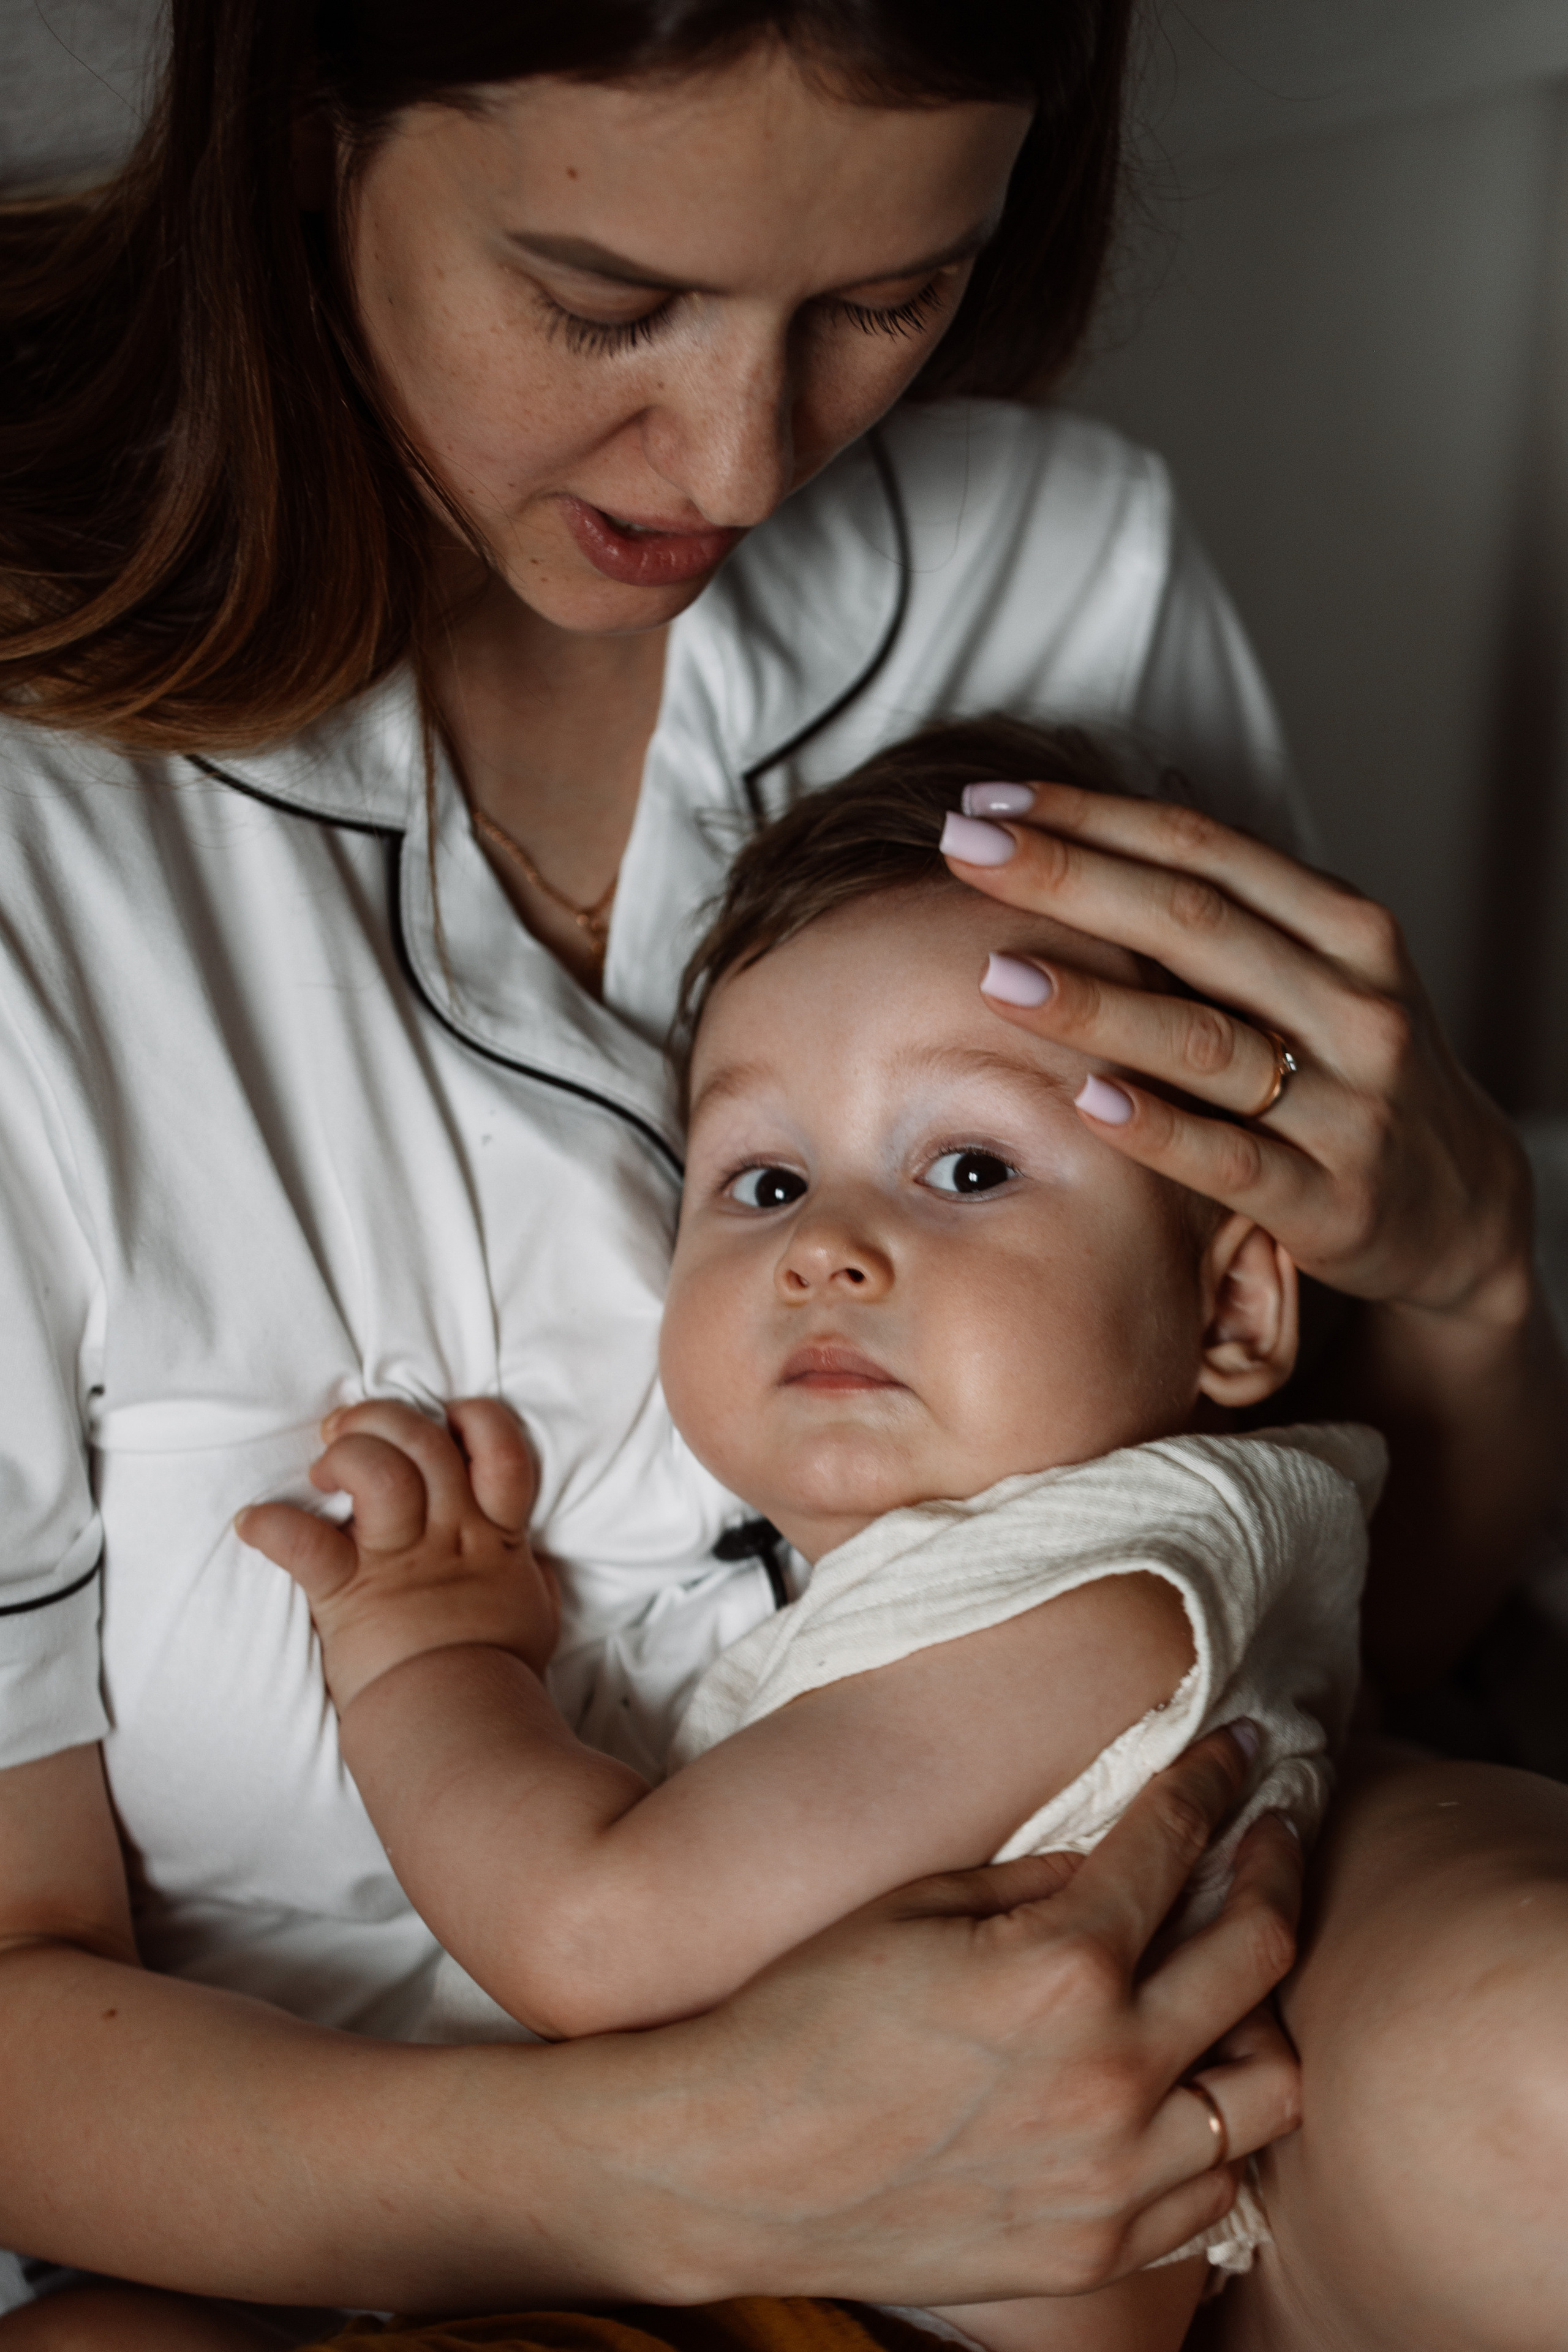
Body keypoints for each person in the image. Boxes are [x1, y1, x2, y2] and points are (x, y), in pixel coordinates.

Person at [0, 3, 1561, 2348]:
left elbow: (1379, 1607)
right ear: (305, 121)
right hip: (380, 2186)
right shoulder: (44, 843)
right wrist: (683, 2175)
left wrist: (1465, 1266)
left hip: (1199, 2076)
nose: (740, 455)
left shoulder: (1050, 568)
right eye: (604, 302)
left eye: (885, 299)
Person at [243, 722, 1387, 2352]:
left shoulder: (1109, 1601)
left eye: (967, 1166)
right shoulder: (1090, 1579)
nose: (827, 1249)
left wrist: (430, 1649)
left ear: (1231, 1307)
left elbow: (593, 1938)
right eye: (768, 1182)